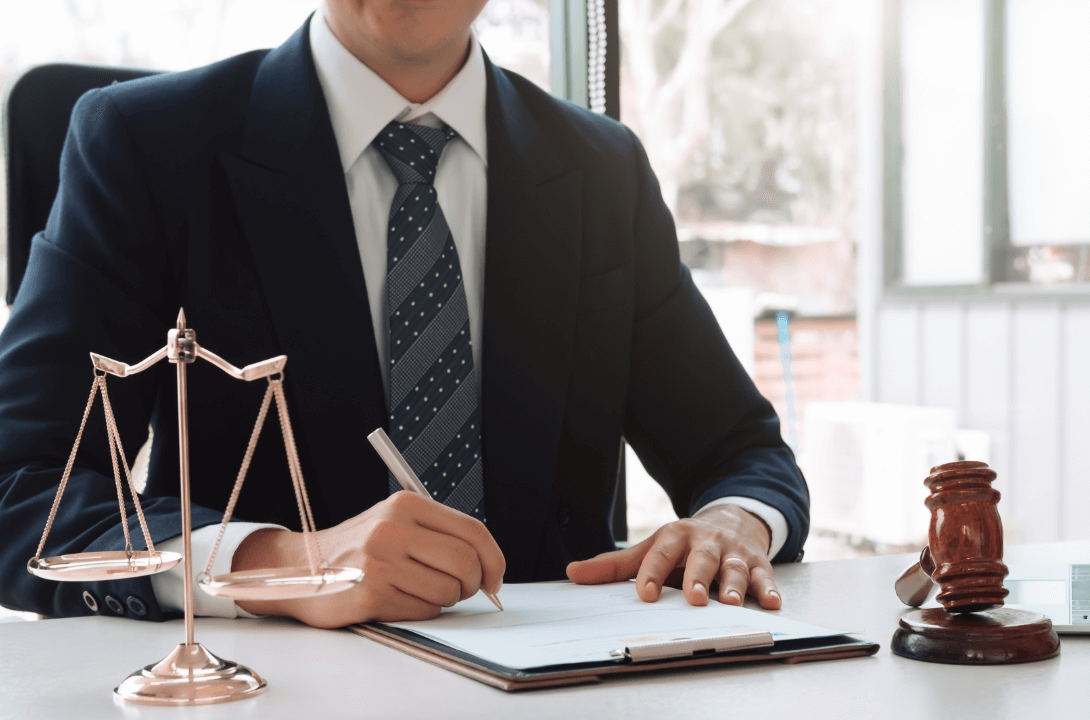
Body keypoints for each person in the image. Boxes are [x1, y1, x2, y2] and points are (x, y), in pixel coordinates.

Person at [0, 0, 808, 628]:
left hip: (558, 688)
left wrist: (732, 525)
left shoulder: (603, 170)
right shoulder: (144, 147)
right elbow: (18, 487)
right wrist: (286, 563)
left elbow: (740, 453)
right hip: (279, 692)